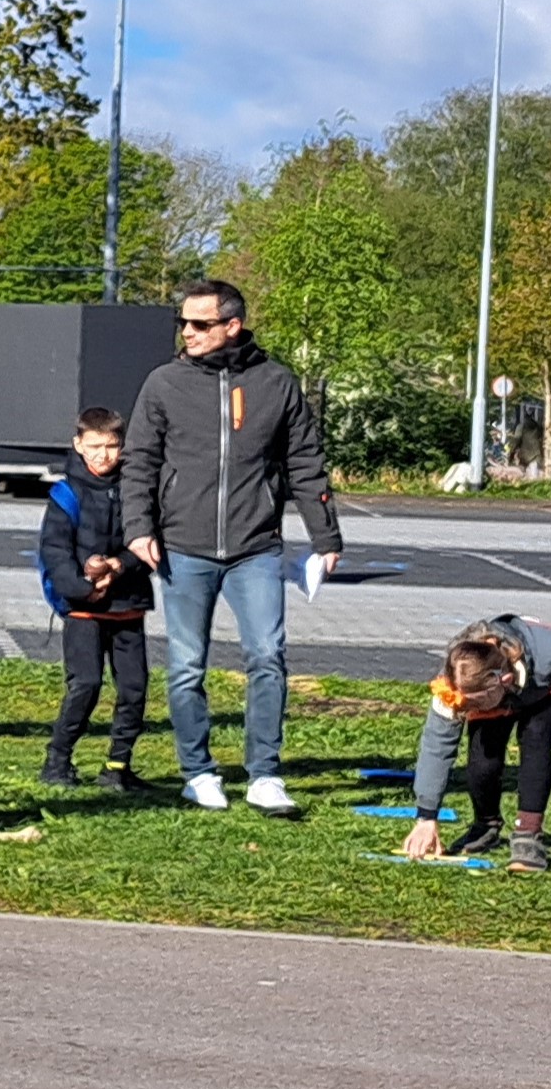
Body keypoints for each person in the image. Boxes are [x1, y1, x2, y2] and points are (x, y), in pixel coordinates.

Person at [121, 277, 343, 816]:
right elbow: (140, 462)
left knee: (267, 657)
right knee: (186, 664)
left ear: (231, 326)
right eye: (184, 323)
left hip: (256, 549)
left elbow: (305, 461)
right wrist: (138, 528)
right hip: (183, 548)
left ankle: (265, 775)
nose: (188, 333)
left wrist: (326, 535)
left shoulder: (276, 383)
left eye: (200, 324)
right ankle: (198, 773)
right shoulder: (164, 383)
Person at [398, 615, 551, 871]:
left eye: (471, 704)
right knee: (483, 761)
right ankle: (486, 824)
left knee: (535, 734)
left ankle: (528, 836)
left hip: (546, 685)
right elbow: (436, 746)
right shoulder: (456, 681)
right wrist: (426, 817)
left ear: (503, 681)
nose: (464, 709)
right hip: (497, 694)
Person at [37, 406, 156, 790]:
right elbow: (54, 552)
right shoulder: (65, 493)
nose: (104, 455)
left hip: (128, 606)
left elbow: (151, 545)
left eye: (111, 446)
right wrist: (85, 586)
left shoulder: (137, 490)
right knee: (85, 685)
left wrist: (118, 567)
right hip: (84, 611)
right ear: (78, 444)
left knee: (134, 688)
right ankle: (57, 761)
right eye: (94, 446)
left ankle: (117, 766)